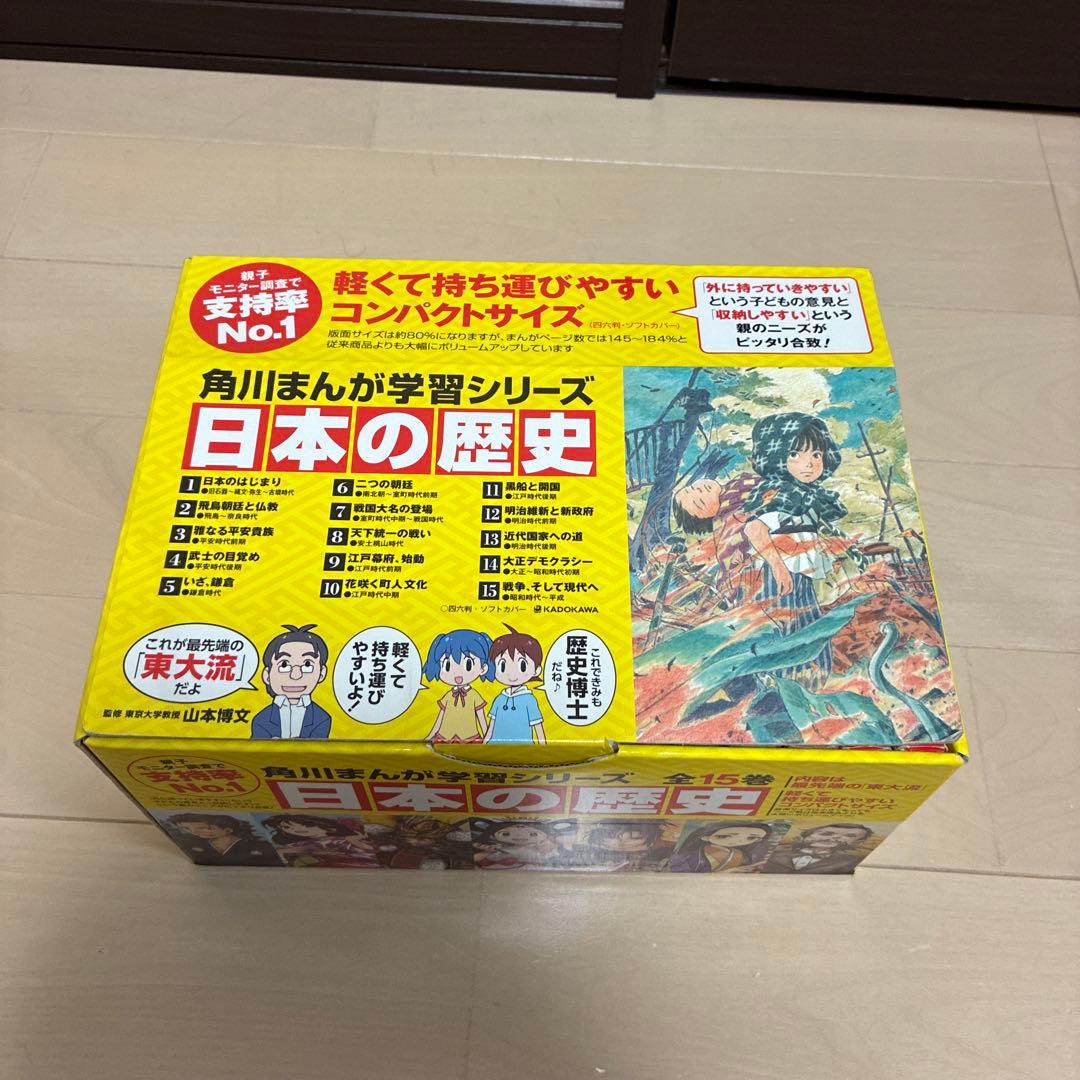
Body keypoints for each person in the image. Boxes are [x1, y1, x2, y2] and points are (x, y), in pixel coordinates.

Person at [741, 412, 847, 686]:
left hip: (801, 575)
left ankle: (811, 678)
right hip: (780, 575)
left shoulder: (807, 495)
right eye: (794, 455)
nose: (808, 464)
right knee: (784, 624)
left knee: (807, 619)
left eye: (816, 455)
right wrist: (778, 567)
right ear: (775, 456)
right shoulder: (779, 493)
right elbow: (754, 529)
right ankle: (779, 681)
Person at [251, 624, 332, 739]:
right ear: (267, 675)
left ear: (321, 673)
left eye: (307, 665)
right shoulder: (261, 719)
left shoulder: (322, 718)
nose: (295, 675)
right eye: (284, 665)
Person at [423, 629, 494, 743]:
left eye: (468, 664)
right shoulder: (449, 695)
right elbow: (440, 717)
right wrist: (430, 736)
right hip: (445, 737)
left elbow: (481, 717)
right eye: (447, 665)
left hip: (469, 737)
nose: (457, 674)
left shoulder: (474, 695)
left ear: (483, 668)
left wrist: (487, 738)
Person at [486, 624, 546, 744]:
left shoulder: (529, 700)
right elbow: (491, 727)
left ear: (536, 670)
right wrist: (483, 745)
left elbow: (538, 728)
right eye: (502, 666)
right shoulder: (500, 698)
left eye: (522, 665)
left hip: (524, 747)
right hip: (494, 746)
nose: (512, 674)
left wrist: (544, 749)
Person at [262, 815, 379, 868]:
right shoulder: (308, 843)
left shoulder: (346, 825)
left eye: (288, 825)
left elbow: (374, 849)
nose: (291, 830)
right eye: (284, 829)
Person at [168, 813, 282, 866]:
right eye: (187, 828)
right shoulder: (193, 845)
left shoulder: (260, 846)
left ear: (227, 830)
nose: (195, 832)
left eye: (205, 828)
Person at [762, 822, 874, 874]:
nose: (835, 838)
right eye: (827, 833)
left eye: (849, 836)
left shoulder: (854, 862)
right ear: (807, 835)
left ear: (857, 842)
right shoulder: (770, 853)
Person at [670, 822, 774, 873]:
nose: (739, 841)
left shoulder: (747, 855)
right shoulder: (687, 855)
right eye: (724, 836)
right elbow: (680, 874)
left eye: (752, 837)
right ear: (705, 836)